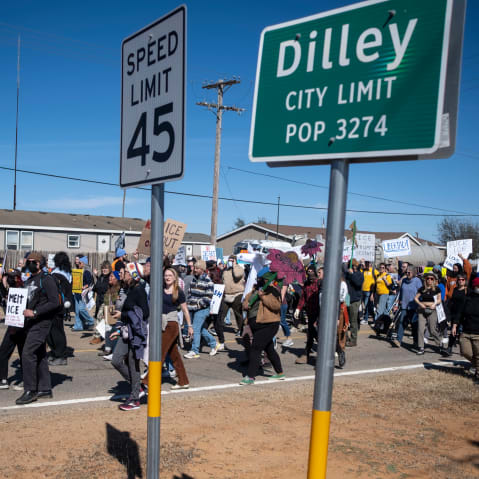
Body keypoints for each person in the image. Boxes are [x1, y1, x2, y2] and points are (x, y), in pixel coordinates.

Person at [16, 252, 60, 405]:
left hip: (42, 322)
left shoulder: (46, 280)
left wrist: (35, 312)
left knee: (27, 353)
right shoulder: (29, 280)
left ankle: (30, 390)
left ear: (39, 264)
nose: (27, 263)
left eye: (30, 261)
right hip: (31, 323)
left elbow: (55, 302)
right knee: (39, 354)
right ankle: (45, 388)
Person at [111, 263, 149, 411]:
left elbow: (145, 313)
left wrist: (123, 315)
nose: (123, 274)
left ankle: (134, 399)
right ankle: (138, 387)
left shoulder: (139, 290)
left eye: (126, 271)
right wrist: (119, 330)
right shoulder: (130, 289)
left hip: (136, 333)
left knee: (133, 364)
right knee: (116, 360)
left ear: (133, 274)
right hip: (126, 331)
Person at [240, 268, 285, 385]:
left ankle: (250, 376)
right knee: (269, 348)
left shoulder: (273, 291)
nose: (262, 281)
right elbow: (245, 301)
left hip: (269, 324)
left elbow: (276, 306)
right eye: (260, 278)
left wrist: (263, 297)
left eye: (264, 279)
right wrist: (246, 305)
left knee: (256, 347)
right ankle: (280, 373)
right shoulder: (254, 290)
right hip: (255, 324)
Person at [161, 268, 193, 389]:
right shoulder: (160, 289)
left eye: (170, 275)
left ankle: (148, 381)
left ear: (175, 278)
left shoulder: (178, 291)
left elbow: (185, 310)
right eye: (165, 275)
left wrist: (189, 326)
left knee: (160, 352)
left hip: (172, 323)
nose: (167, 277)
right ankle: (183, 380)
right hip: (162, 323)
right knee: (174, 355)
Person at [184, 260, 219, 359]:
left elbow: (208, 298)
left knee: (195, 329)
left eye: (197, 268)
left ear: (202, 269)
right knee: (200, 329)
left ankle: (194, 350)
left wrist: (198, 304)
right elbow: (190, 293)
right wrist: (189, 304)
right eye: (195, 268)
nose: (195, 270)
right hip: (193, 308)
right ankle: (213, 344)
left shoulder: (208, 281)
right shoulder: (194, 280)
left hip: (203, 309)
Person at [0, 271, 26, 389]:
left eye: (10, 278)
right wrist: (3, 283)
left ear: (16, 278)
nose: (8, 279)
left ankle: (28, 380)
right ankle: (4, 380)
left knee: (23, 355)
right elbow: (4, 295)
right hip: (13, 326)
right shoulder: (12, 289)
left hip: (20, 327)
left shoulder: (22, 289)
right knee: (5, 353)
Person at [47, 252, 73, 366]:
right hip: (63, 305)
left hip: (56, 306)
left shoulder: (57, 274)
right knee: (55, 330)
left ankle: (60, 355)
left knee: (56, 331)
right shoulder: (67, 273)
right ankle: (55, 352)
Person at [453, 276, 479, 381]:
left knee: (478, 355)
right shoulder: (467, 297)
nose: (477, 287)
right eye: (476, 286)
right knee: (465, 352)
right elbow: (460, 312)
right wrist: (455, 325)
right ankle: (476, 366)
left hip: (478, 333)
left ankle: (477, 375)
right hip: (466, 331)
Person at [294, 264, 322, 363]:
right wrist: (298, 308)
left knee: (318, 333)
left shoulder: (320, 283)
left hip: (319, 314)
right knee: (310, 334)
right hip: (310, 313)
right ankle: (306, 354)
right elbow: (303, 298)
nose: (310, 274)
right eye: (308, 272)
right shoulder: (306, 284)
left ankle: (336, 350)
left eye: (311, 272)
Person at [218, 255, 245, 345]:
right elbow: (222, 280)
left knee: (238, 315)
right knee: (221, 313)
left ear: (235, 261)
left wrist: (234, 266)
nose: (229, 262)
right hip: (227, 295)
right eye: (229, 260)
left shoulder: (240, 269)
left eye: (231, 260)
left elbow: (237, 275)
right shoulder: (226, 271)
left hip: (237, 294)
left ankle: (242, 331)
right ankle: (219, 330)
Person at [414, 271, 443, 355]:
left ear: (434, 280)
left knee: (432, 329)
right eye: (428, 278)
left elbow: (439, 299)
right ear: (425, 279)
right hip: (422, 310)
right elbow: (416, 298)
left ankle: (439, 343)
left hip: (432, 310)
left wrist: (434, 304)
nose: (429, 280)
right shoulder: (422, 288)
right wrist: (420, 304)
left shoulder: (437, 289)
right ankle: (421, 347)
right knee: (420, 328)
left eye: (431, 278)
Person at [393, 266, 422, 348]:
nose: (407, 274)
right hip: (404, 306)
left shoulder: (417, 281)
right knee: (402, 322)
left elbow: (421, 292)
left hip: (414, 306)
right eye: (406, 272)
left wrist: (420, 304)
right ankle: (398, 340)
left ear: (413, 273)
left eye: (409, 272)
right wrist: (399, 300)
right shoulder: (404, 280)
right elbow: (401, 291)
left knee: (414, 325)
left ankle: (416, 342)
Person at [90, 261, 112, 345]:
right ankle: (100, 336)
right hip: (99, 300)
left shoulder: (110, 277)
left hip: (105, 301)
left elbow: (108, 290)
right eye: (103, 268)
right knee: (99, 318)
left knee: (99, 317)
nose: (104, 270)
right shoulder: (101, 277)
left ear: (109, 269)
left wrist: (107, 304)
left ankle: (97, 337)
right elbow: (97, 287)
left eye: (106, 268)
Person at [343, 260, 364, 347]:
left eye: (353, 265)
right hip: (347, 298)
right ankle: (345, 338)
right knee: (345, 319)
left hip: (355, 299)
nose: (351, 267)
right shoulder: (347, 274)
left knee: (353, 320)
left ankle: (353, 339)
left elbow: (358, 284)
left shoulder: (359, 274)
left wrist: (352, 274)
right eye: (350, 265)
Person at [72, 256, 95, 331]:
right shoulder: (78, 270)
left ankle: (91, 321)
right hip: (76, 292)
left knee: (81, 309)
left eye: (80, 262)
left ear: (84, 263)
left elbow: (90, 282)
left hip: (83, 293)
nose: (78, 264)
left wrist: (84, 286)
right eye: (78, 262)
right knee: (77, 310)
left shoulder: (86, 271)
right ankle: (79, 325)